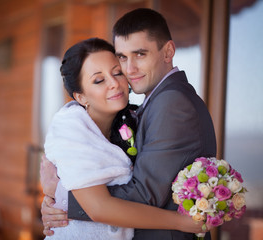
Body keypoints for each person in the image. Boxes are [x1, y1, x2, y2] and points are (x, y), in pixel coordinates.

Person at [40, 8, 217, 240]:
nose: (129, 69)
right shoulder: (145, 106)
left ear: (168, 52)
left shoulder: (171, 102)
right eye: (122, 57)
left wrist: (62, 197)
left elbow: (144, 195)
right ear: (80, 96)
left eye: (140, 54)